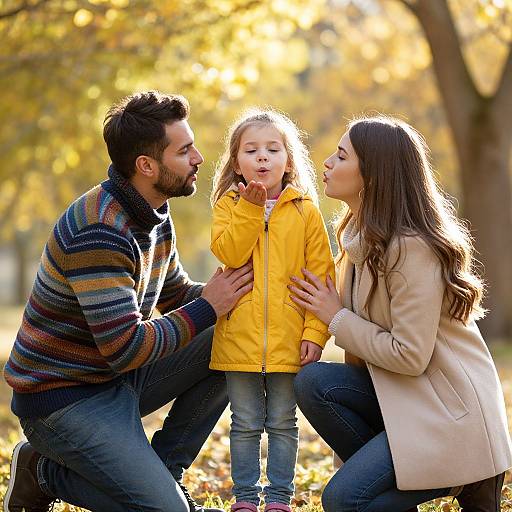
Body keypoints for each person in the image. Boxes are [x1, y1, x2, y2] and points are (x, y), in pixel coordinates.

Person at [3, 91, 254, 512]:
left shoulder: (153, 210)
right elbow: (126, 348)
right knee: (164, 511)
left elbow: (175, 295)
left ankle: (164, 470)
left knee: (232, 336)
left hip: (114, 379)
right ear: (147, 166)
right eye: (185, 150)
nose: (198, 158)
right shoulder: (100, 230)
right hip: (64, 398)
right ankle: (41, 471)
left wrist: (246, 302)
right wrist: (209, 305)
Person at [289, 115, 512, 512]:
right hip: (408, 402)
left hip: (450, 416)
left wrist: (335, 316)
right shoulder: (359, 239)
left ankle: (466, 475)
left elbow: (409, 355)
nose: (326, 163)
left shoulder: (410, 248)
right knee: (315, 382)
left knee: (344, 501)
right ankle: (404, 478)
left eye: (341, 156)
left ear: (372, 175)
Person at [209, 109, 335, 512]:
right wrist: (250, 209)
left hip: (289, 340)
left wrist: (315, 334)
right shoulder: (228, 207)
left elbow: (322, 279)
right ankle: (245, 498)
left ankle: (279, 498)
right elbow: (229, 252)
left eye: (272, 149)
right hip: (239, 340)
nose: (262, 157)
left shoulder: (306, 212)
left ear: (288, 159)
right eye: (251, 150)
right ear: (237, 162)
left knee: (283, 423)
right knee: (244, 424)